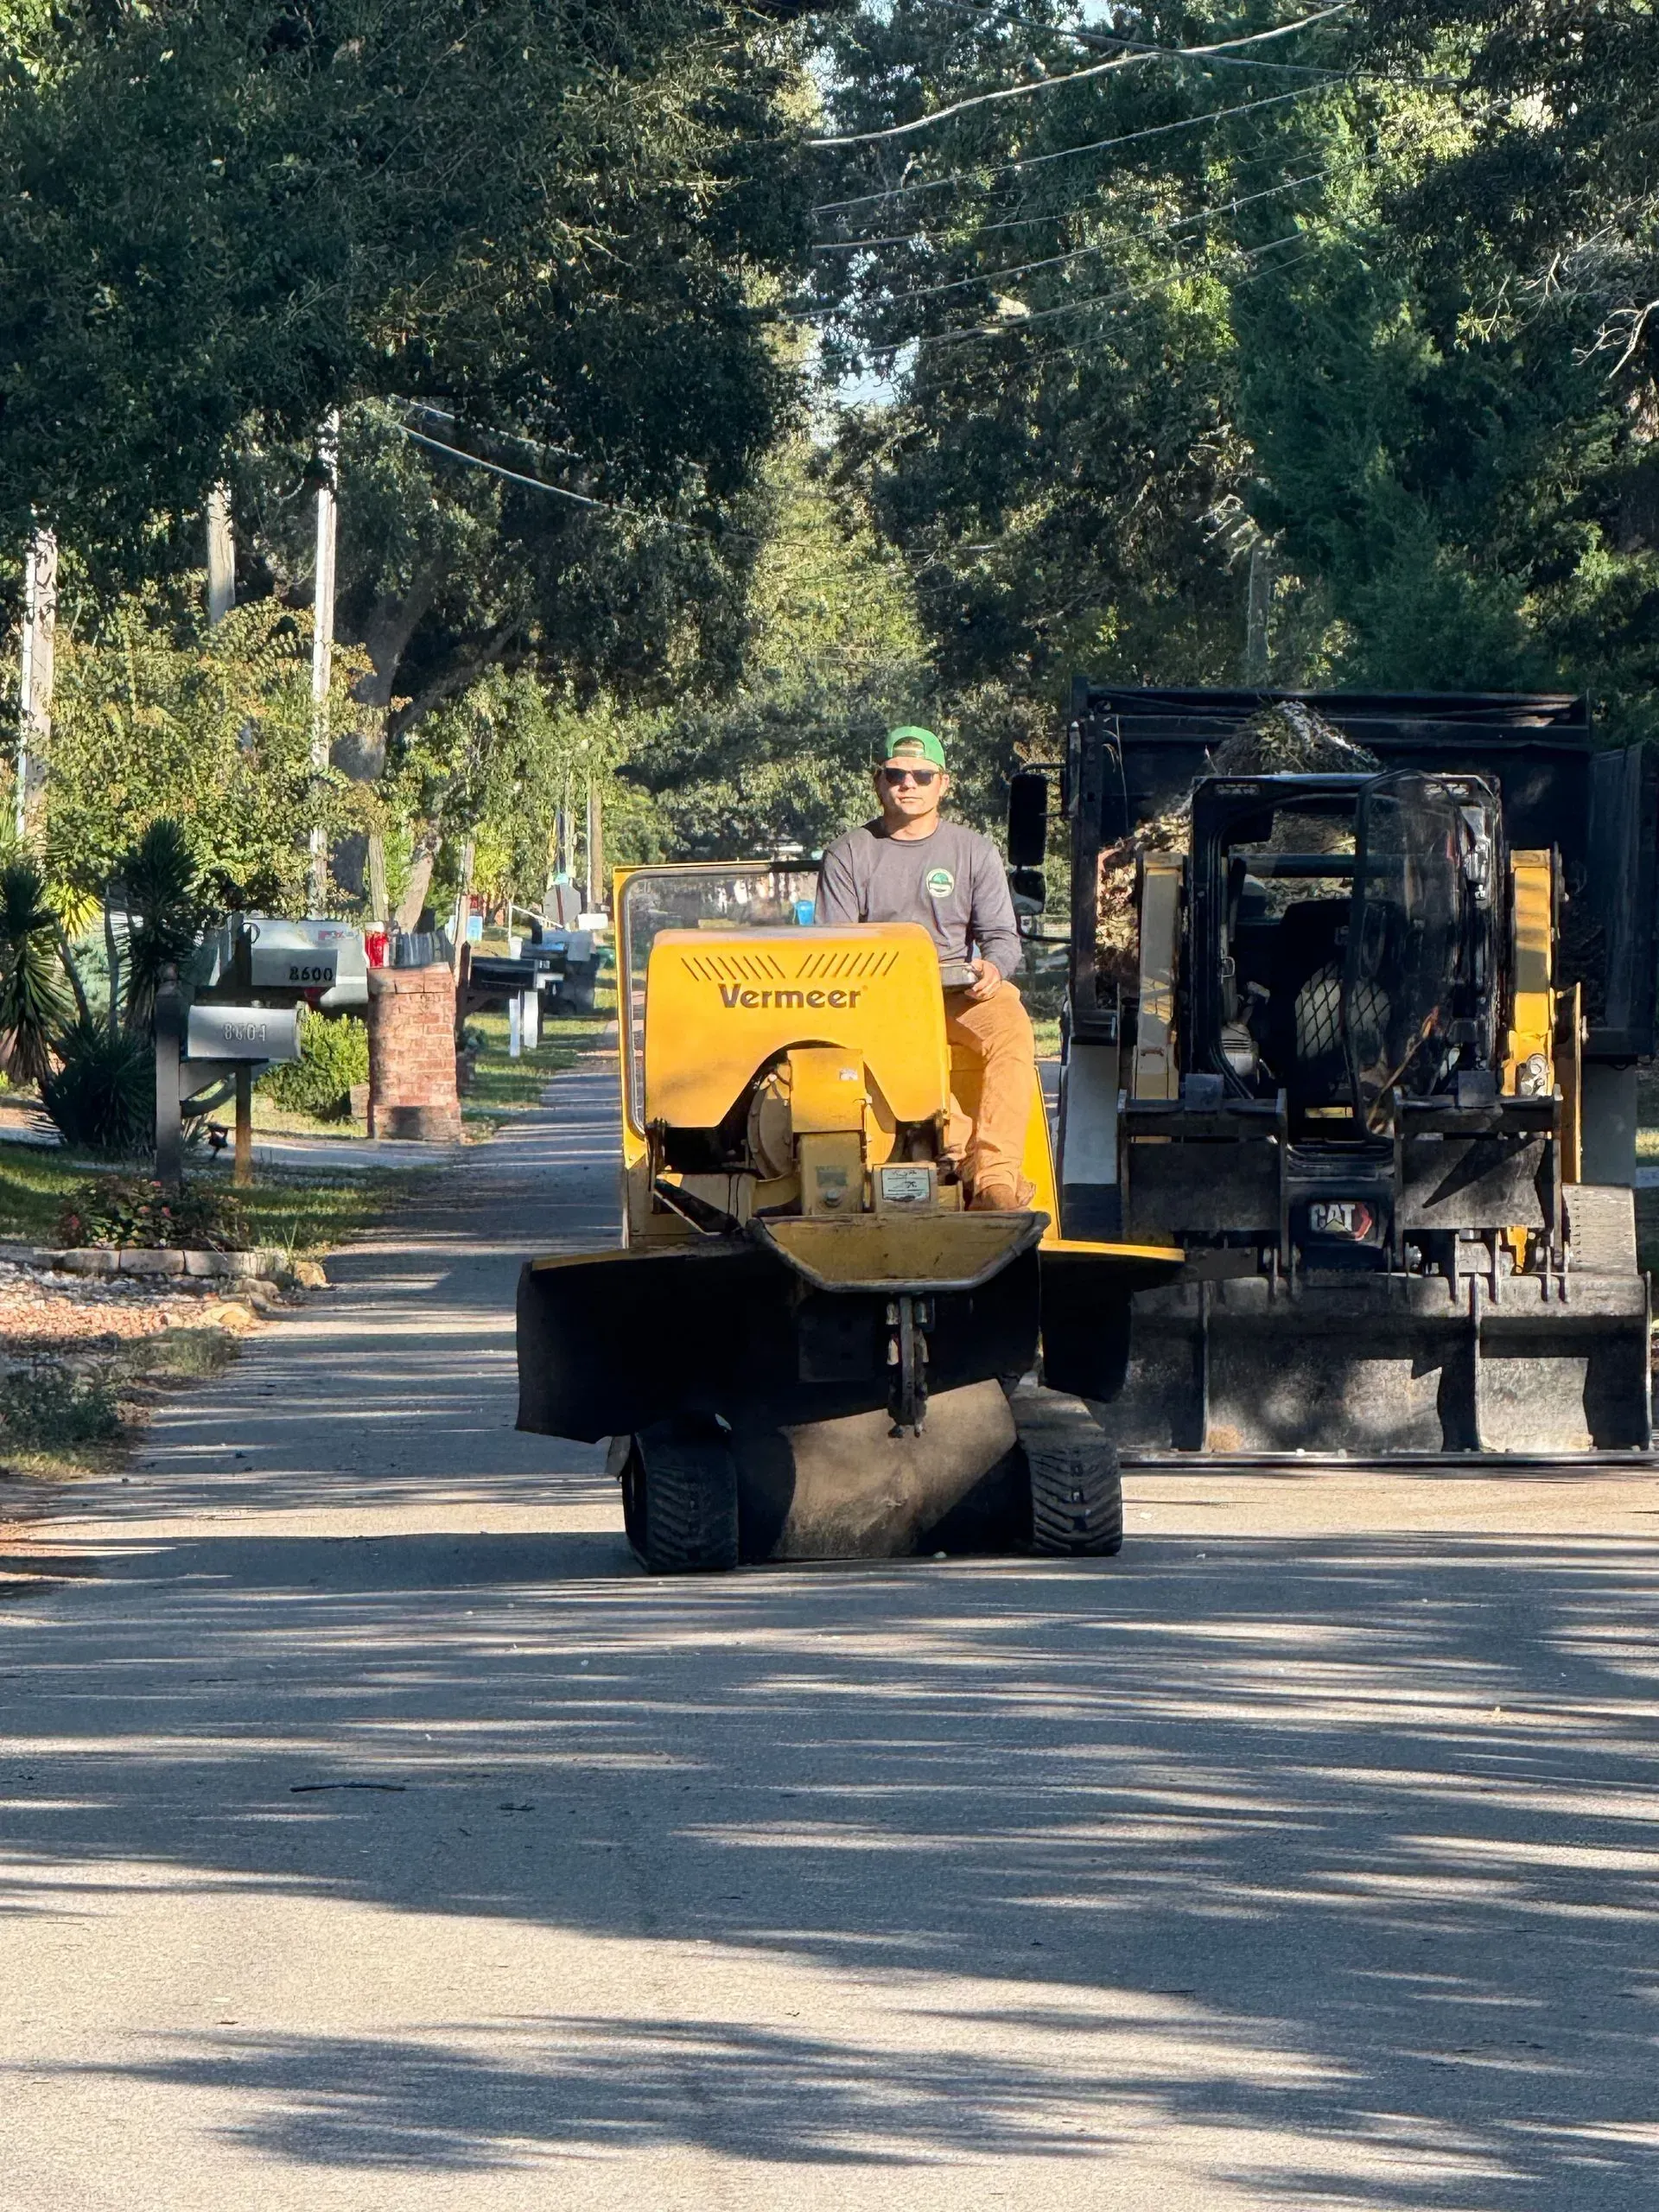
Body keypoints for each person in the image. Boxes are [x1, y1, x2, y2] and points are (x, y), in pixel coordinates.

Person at [816, 726, 1037, 1211]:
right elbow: (835, 950)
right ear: (879, 782)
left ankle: (995, 1178)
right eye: (897, 774)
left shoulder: (974, 851)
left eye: (921, 774)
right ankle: (959, 1156)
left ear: (944, 783)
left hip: (958, 992)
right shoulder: (848, 853)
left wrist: (994, 968)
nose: (908, 784)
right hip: (879, 1004)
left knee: (1012, 1025)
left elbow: (1002, 938)